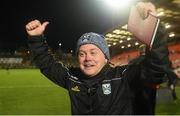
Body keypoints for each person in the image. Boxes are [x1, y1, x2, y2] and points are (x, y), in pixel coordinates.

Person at [25, 2, 170, 115]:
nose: (87, 58)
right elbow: (47, 64)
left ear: (106, 57)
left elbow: (157, 68)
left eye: (93, 52)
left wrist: (153, 27)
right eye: (82, 54)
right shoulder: (72, 78)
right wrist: (36, 38)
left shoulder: (123, 77)